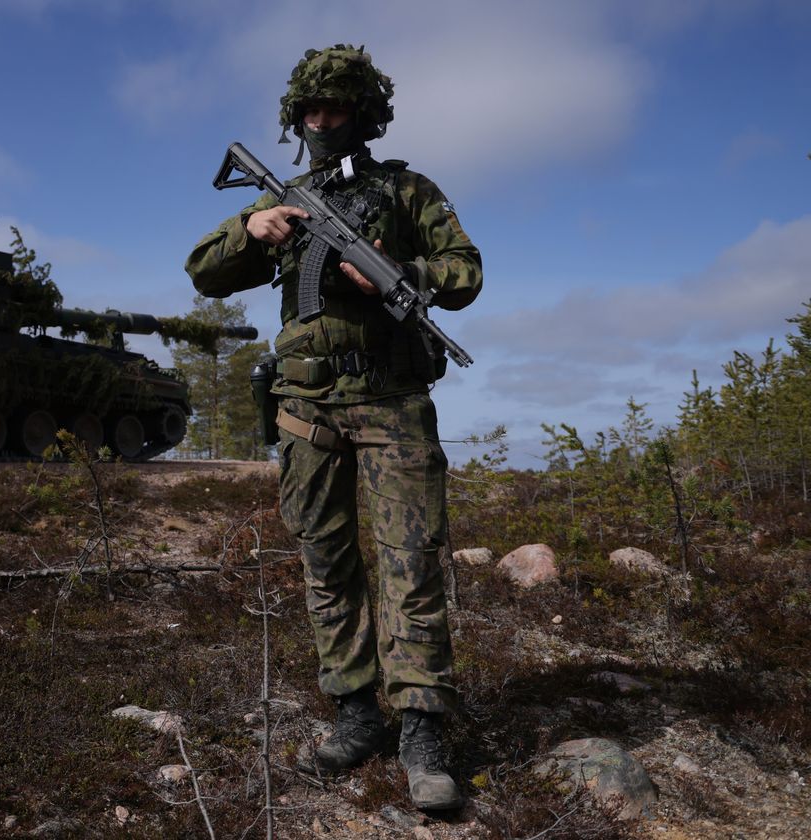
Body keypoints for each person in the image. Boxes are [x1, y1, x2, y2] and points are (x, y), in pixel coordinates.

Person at [184, 45, 482, 810]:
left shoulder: (406, 190)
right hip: (306, 409)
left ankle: (420, 728)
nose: (321, 123)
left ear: (364, 114)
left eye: (336, 109)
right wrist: (256, 228)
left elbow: (466, 270)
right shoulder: (288, 200)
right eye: (310, 112)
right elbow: (203, 270)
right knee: (326, 563)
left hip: (391, 401)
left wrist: (401, 272)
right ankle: (355, 714)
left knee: (410, 564)